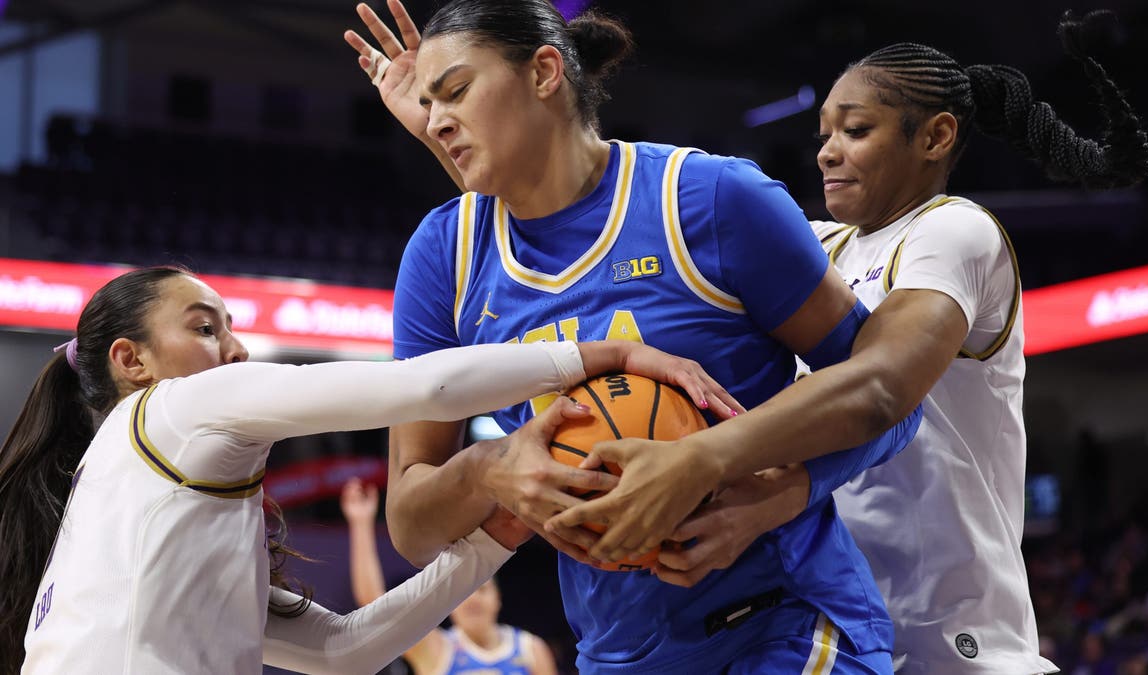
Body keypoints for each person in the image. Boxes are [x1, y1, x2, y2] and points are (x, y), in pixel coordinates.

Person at [543, 10, 1148, 675]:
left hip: (949, 637)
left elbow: (881, 385)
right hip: (824, 618)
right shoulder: (816, 247)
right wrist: (539, 114)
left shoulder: (954, 231)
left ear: (936, 136)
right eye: (825, 132)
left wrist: (708, 464)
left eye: (856, 131)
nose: (827, 151)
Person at [345, 1, 923, 673]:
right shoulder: (444, 257)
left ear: (543, 72)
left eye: (456, 91)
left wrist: (776, 496)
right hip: (618, 650)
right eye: (428, 102)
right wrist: (491, 468)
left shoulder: (708, 200)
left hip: (783, 621)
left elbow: (893, 399)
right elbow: (412, 521)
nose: (436, 119)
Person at [0, 266, 736, 674]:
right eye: (203, 328)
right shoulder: (174, 408)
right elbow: (421, 389)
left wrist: (495, 536)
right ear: (132, 361)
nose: (235, 351)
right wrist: (604, 354)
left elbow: (343, 649)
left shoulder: (129, 502)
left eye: (229, 327)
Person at [341, 478, 557, 675]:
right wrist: (361, 523)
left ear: (497, 598)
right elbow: (374, 604)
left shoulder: (531, 649)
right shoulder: (437, 648)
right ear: (450, 605)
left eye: (481, 590)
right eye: (463, 594)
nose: (472, 599)